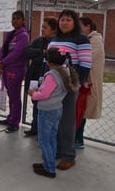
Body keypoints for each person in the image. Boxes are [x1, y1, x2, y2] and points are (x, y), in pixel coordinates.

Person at [48, 9, 91, 170]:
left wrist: (75, 83)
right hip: (53, 85)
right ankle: (58, 150)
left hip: (69, 86)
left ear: (74, 22)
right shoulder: (54, 38)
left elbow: (86, 64)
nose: (64, 22)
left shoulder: (81, 39)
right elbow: (49, 62)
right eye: (62, 19)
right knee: (55, 118)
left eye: (68, 20)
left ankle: (68, 155)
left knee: (67, 120)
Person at [28, 48, 79, 178]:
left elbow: (44, 94)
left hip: (46, 111)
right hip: (57, 109)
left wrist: (34, 94)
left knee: (44, 140)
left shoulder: (51, 75)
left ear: (49, 62)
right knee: (51, 138)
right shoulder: (65, 72)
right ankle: (48, 162)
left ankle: (49, 168)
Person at [0, 11, 29, 133]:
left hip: (15, 69)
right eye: (13, 19)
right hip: (6, 68)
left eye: (18, 19)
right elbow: (3, 49)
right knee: (11, 95)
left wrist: (3, 62)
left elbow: (17, 53)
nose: (15, 21)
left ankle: (15, 122)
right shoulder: (10, 34)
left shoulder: (23, 36)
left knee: (15, 96)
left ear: (23, 20)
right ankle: (10, 118)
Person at [24, 17, 58, 137]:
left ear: (53, 30)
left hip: (46, 78)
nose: (42, 30)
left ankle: (44, 132)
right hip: (34, 76)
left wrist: (39, 54)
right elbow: (27, 52)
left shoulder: (55, 42)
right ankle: (35, 128)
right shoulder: (39, 41)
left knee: (44, 105)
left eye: (45, 28)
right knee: (35, 101)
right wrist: (42, 52)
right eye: (42, 27)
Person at [75, 17, 105, 149]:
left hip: (89, 83)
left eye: (80, 26)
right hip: (84, 82)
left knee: (82, 111)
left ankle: (78, 140)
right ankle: (75, 138)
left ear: (88, 27)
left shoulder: (95, 40)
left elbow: (86, 58)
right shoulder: (89, 39)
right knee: (79, 110)